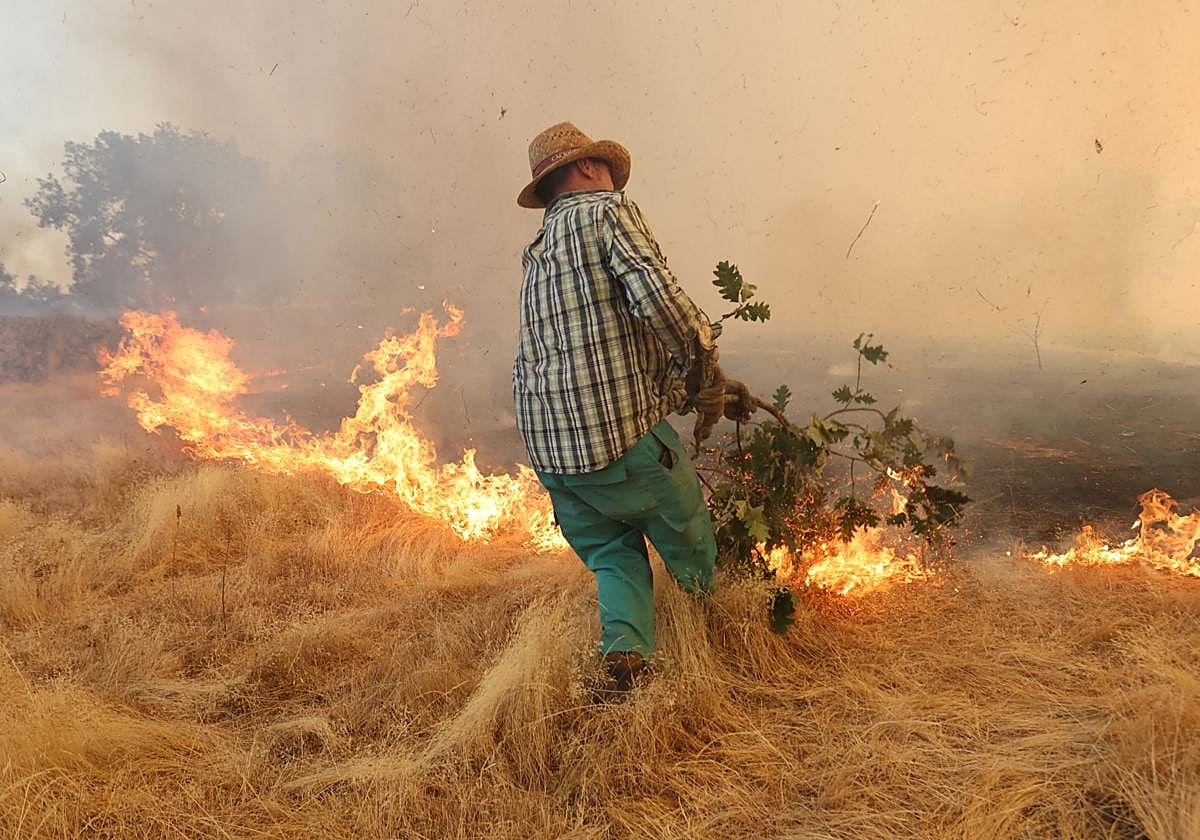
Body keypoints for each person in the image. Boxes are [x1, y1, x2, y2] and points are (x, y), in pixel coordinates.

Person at [513, 121, 751, 699]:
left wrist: (690, 386)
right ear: (589, 169)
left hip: (553, 452)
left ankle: (625, 662)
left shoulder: (538, 251)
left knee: (613, 556)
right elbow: (659, 298)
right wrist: (703, 362)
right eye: (607, 172)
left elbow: (600, 352)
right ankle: (728, 641)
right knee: (690, 534)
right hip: (615, 440)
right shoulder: (604, 213)